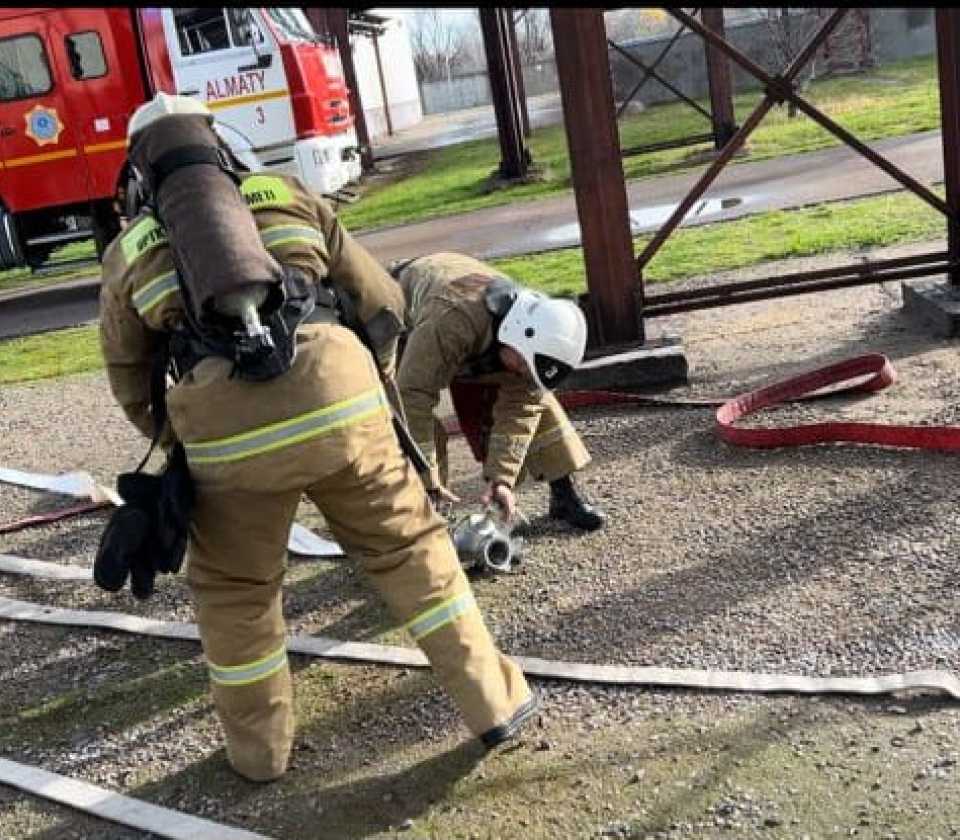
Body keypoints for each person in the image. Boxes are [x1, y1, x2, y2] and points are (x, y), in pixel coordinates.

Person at [97, 94, 535, 782]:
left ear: (140, 169)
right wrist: (370, 387)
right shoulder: (286, 192)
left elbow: (129, 377)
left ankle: (259, 756)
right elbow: (384, 303)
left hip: (224, 436)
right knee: (412, 552)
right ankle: (494, 705)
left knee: (237, 593)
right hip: (341, 399)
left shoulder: (128, 251)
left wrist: (182, 443)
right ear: (218, 144)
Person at [390, 252, 607, 531]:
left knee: (537, 401)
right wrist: (426, 476)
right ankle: (426, 519)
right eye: (524, 364)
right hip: (397, 321)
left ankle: (565, 496)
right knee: (411, 420)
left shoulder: (532, 335)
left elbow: (520, 410)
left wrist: (501, 480)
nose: (524, 373)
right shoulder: (452, 320)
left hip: (474, 330)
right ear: (517, 332)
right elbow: (413, 394)